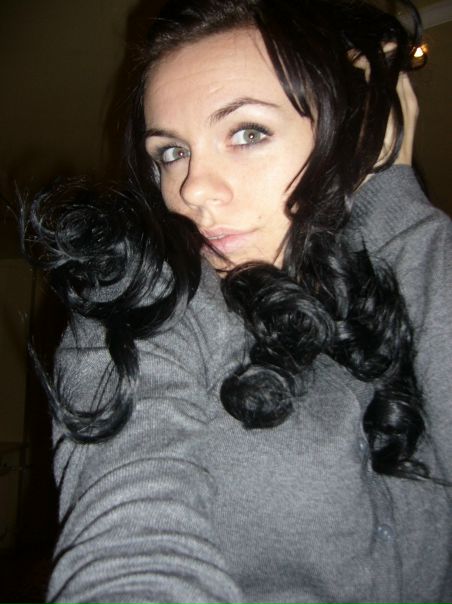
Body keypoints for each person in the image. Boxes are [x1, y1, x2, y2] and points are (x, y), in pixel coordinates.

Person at [23, 0, 452, 602]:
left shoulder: (399, 295)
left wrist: (396, 205)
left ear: (346, 133)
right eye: (171, 152)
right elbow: (128, 539)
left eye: (248, 133)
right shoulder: (143, 304)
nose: (192, 188)